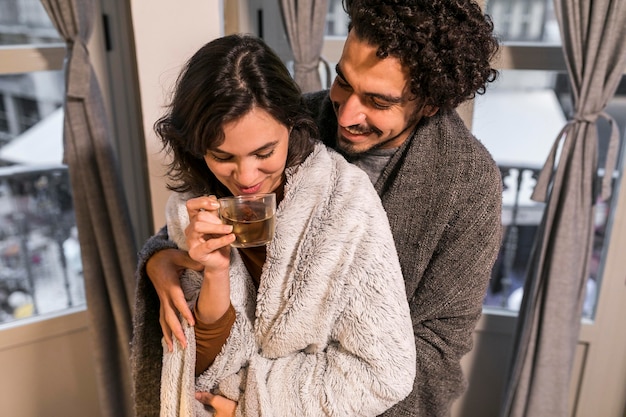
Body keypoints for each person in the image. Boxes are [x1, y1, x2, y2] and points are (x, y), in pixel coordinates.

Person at [133, 0, 503, 415]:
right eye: (343, 81)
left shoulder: (467, 182)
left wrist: (262, 408)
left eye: (378, 102)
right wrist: (161, 258)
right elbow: (208, 216)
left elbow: (436, 345)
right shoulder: (295, 119)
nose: (345, 114)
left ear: (431, 103)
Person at [132, 33, 416, 417]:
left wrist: (253, 407)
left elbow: (385, 373)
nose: (246, 176)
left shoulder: (345, 203)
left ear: (292, 124)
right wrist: (214, 271)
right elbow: (197, 366)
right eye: (222, 155)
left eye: (264, 152)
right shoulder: (192, 208)